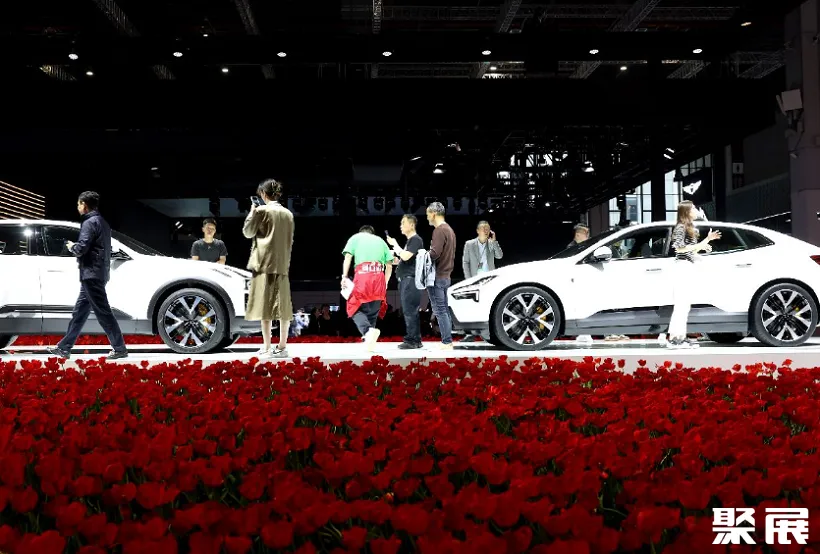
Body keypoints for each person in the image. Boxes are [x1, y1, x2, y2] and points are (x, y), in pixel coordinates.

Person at [47, 191, 128, 360]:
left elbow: (82, 247)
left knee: (103, 312)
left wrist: (71, 246)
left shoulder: (89, 222)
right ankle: (64, 347)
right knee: (79, 313)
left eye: (78, 204)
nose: (77, 207)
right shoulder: (103, 222)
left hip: (91, 274)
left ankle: (119, 348)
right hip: (97, 273)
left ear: (84, 204)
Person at [242, 179, 294, 358]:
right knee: (283, 307)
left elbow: (248, 232)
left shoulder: (261, 210)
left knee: (265, 307)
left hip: (264, 263)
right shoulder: (288, 214)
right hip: (282, 264)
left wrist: (252, 212)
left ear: (263, 194)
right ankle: (282, 347)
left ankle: (266, 347)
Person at [667, 200, 720, 349]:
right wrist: (705, 241)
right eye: (694, 208)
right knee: (681, 304)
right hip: (682, 267)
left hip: (686, 266)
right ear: (687, 211)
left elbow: (690, 250)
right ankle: (675, 339)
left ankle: (679, 337)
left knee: (684, 305)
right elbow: (680, 249)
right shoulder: (681, 227)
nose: (696, 210)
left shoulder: (688, 227)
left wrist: (704, 244)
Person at [342, 225, 393, 351]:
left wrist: (344, 276)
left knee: (353, 307)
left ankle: (367, 331)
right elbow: (389, 265)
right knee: (372, 313)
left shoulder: (356, 238)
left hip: (363, 276)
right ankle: (369, 342)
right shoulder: (381, 241)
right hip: (379, 278)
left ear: (361, 232)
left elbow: (348, 257)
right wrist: (385, 283)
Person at [460, 221, 504, 342]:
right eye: (483, 228)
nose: (485, 231)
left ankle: (489, 334)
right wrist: (469, 280)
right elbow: (465, 262)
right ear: (477, 231)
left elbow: (499, 256)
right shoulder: (469, 244)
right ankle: (470, 334)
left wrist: (494, 242)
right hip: (475, 279)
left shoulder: (491, 243)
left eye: (487, 229)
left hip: (489, 280)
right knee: (472, 306)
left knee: (489, 306)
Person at [387, 214, 424, 349]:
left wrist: (395, 245)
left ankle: (412, 340)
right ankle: (415, 339)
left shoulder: (415, 239)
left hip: (410, 280)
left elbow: (406, 256)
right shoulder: (411, 241)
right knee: (410, 310)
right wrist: (394, 259)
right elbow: (404, 259)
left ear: (412, 225)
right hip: (407, 280)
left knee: (409, 311)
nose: (401, 226)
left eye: (403, 223)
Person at [426, 201, 457, 350]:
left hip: (437, 276)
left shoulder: (439, 230)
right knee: (443, 309)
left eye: (428, 214)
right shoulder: (449, 230)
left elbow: (435, 253)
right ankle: (447, 340)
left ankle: (447, 341)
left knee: (440, 310)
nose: (427, 217)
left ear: (433, 214)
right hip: (446, 276)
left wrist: (423, 254)